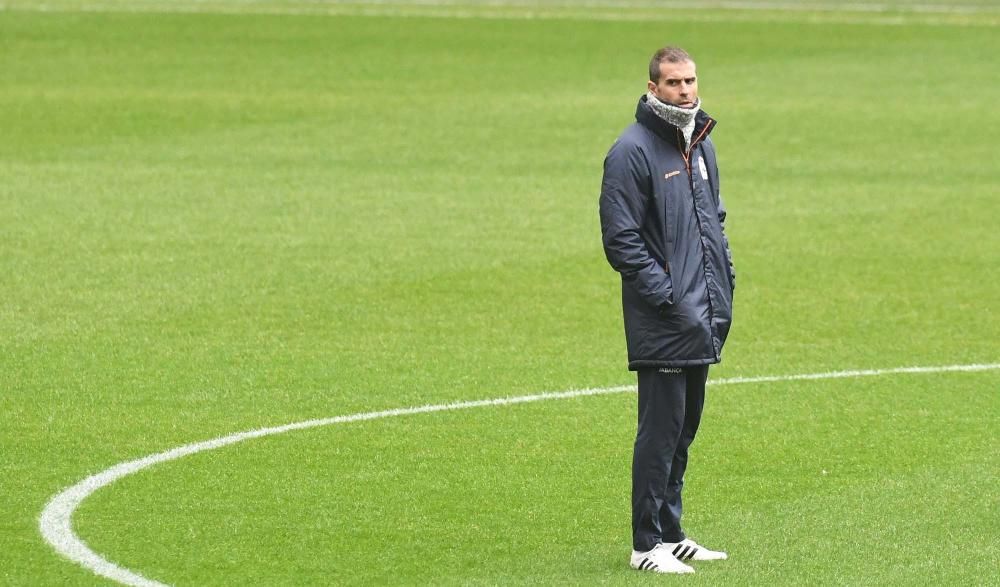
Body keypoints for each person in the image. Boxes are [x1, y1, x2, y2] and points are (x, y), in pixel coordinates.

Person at [599, 46, 735, 575]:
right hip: (666, 317)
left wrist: (723, 279)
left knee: (685, 428)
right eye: (675, 83)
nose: (686, 91)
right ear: (653, 88)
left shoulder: (700, 142)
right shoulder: (631, 150)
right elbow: (621, 239)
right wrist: (669, 296)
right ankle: (644, 544)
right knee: (660, 431)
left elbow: (712, 219)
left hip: (702, 313)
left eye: (692, 80)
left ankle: (672, 531)